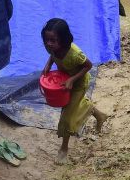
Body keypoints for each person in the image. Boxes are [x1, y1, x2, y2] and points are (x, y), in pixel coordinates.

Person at [41, 18, 109, 155]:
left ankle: (64, 148)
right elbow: (52, 55)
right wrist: (48, 65)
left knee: (66, 117)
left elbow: (88, 66)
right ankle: (100, 115)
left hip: (78, 84)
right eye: (46, 40)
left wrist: (72, 79)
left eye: (53, 41)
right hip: (65, 82)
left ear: (63, 39)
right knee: (69, 108)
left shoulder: (74, 53)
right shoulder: (52, 48)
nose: (49, 44)